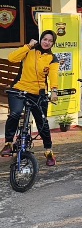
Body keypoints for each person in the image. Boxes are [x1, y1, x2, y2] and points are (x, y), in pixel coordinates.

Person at [1, 31, 59, 166]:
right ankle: (9, 143)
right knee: (15, 113)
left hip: (38, 93)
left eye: (50, 41)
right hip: (20, 89)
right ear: (40, 39)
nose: (47, 42)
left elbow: (54, 75)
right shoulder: (29, 51)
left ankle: (48, 150)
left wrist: (54, 90)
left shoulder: (52, 58)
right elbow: (12, 58)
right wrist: (28, 46)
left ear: (53, 43)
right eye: (45, 39)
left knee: (42, 122)